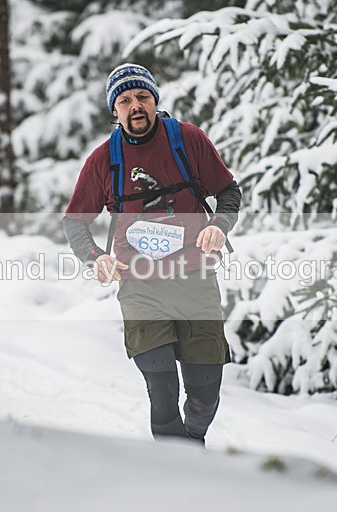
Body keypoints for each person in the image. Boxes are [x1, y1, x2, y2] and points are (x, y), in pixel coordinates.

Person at [63, 63, 241, 447]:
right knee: (161, 390)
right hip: (139, 284)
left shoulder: (187, 140)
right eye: (125, 100)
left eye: (142, 96)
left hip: (195, 278)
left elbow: (229, 192)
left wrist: (218, 226)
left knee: (204, 395)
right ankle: (179, 469)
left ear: (155, 99)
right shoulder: (103, 160)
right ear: (115, 110)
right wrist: (96, 258)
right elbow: (75, 224)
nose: (135, 106)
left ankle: (190, 443)